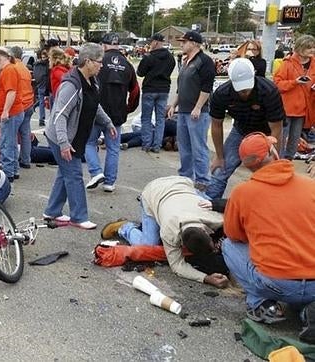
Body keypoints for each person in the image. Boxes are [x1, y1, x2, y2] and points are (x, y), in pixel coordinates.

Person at [222, 133, 315, 342]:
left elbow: (234, 235)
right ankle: (305, 313)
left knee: (228, 245)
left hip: (276, 283)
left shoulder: (242, 193)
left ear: (247, 166)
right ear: (273, 153)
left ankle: (261, 305)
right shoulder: (310, 186)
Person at [101, 176, 230, 288]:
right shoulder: (169, 231)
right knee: (148, 244)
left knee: (206, 202)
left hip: (182, 184)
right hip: (153, 191)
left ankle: (144, 227)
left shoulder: (217, 217)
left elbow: (236, 207)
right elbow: (177, 266)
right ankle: (125, 228)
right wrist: (206, 278)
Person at [43, 43, 116, 230]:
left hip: (75, 137)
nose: (102, 65)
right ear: (88, 62)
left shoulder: (92, 81)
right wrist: (63, 143)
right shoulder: (71, 84)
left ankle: (52, 211)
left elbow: (94, 105)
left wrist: (108, 123)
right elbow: (60, 115)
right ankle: (79, 216)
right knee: (74, 174)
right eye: (99, 62)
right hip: (61, 137)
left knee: (64, 174)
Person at [205, 58, 284, 199]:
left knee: (270, 173)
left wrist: (274, 156)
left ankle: (270, 205)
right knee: (221, 170)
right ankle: (208, 203)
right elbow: (216, 125)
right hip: (241, 130)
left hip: (266, 134)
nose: (245, 93)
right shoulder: (222, 94)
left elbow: (276, 129)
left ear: (253, 75)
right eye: (241, 90)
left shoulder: (269, 91)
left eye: (247, 89)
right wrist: (219, 156)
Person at [85, 32, 140, 192]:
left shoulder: (98, 62)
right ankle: (109, 182)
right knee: (113, 148)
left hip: (96, 110)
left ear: (103, 45)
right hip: (117, 113)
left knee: (89, 143)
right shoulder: (127, 64)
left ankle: (96, 172)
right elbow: (135, 91)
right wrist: (128, 108)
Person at [166, 30, 216, 192]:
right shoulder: (187, 61)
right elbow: (182, 88)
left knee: (198, 147)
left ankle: (202, 180)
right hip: (184, 111)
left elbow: (206, 87)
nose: (181, 44)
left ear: (194, 43)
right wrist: (173, 105)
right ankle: (185, 177)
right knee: (184, 146)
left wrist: (198, 106)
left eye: (185, 42)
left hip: (197, 113)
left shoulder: (204, 61)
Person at [273, 34, 315, 160]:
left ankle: (288, 161)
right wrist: (294, 82)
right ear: (300, 49)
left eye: (313, 47)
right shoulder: (287, 64)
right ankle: (277, 162)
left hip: (303, 109)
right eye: (309, 48)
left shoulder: (314, 64)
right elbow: (277, 84)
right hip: (286, 109)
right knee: (281, 138)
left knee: (295, 138)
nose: (312, 50)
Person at [137, 33, 175, 153]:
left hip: (149, 89)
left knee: (146, 118)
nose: (150, 44)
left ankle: (146, 143)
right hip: (164, 89)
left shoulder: (149, 57)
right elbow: (171, 68)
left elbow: (140, 73)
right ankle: (157, 145)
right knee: (160, 119)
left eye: (151, 41)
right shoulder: (170, 57)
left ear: (156, 42)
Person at [0, 47, 24, 181]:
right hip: (13, 113)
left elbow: (11, 92)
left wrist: (5, 111)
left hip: (11, 114)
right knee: (11, 143)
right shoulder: (7, 70)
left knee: (6, 143)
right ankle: (13, 170)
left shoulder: (9, 70)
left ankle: (8, 173)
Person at [9, 46, 35, 171]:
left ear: (12, 56)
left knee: (12, 134)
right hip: (29, 103)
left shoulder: (13, 68)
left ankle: (13, 163)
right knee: (25, 134)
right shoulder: (25, 68)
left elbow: (12, 90)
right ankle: (26, 160)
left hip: (19, 104)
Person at [33, 48, 49, 127]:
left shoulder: (36, 64)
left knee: (41, 101)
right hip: (46, 85)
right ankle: (42, 119)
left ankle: (41, 119)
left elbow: (35, 75)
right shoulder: (47, 64)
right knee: (45, 101)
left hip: (40, 85)